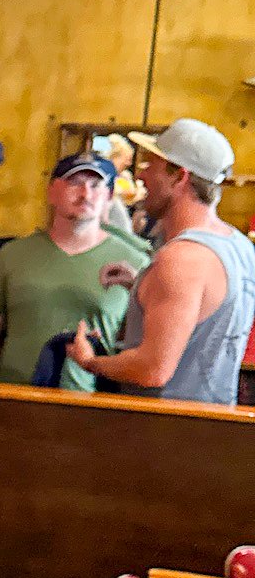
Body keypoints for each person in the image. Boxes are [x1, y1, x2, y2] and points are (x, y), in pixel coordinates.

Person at [68, 118, 255, 407]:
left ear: (179, 176)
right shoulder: (240, 247)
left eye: (151, 165)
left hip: (162, 437)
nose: (140, 176)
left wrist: (91, 361)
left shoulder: (181, 259)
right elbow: (202, 313)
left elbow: (152, 369)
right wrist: (142, 285)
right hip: (211, 432)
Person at [0, 152, 149, 392]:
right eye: (74, 182)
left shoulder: (135, 262)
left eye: (96, 185)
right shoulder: (12, 255)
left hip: (90, 407)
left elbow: (144, 344)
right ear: (51, 191)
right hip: (13, 397)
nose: (85, 194)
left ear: (109, 196)